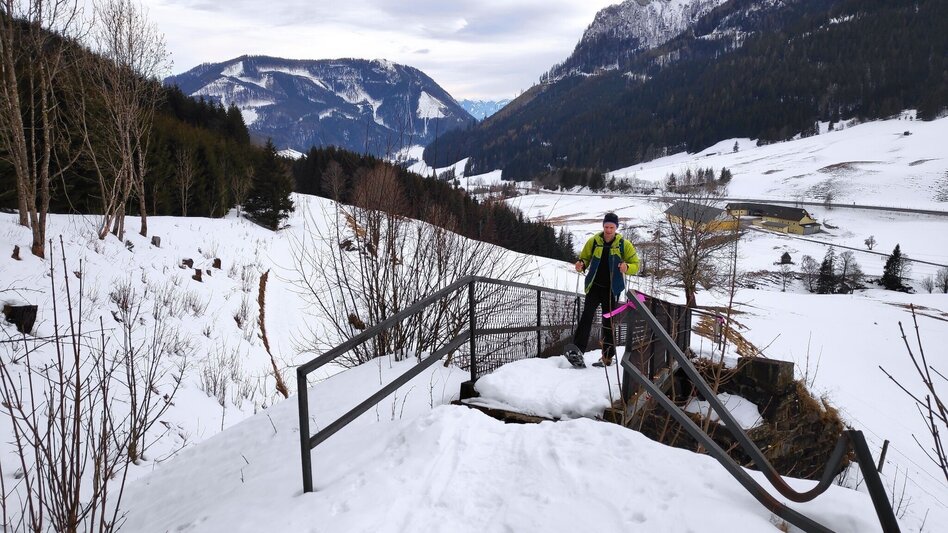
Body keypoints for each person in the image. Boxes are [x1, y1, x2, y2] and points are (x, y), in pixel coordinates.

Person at [571, 212, 640, 367]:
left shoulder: (624, 245)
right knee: (586, 317)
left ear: (616, 228)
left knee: (608, 322)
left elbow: (636, 264)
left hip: (612, 289)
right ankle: (577, 351)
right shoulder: (594, 241)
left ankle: (608, 357)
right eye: (606, 227)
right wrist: (581, 264)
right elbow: (585, 258)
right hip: (594, 286)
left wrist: (627, 267)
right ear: (603, 226)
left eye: (611, 227)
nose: (608, 230)